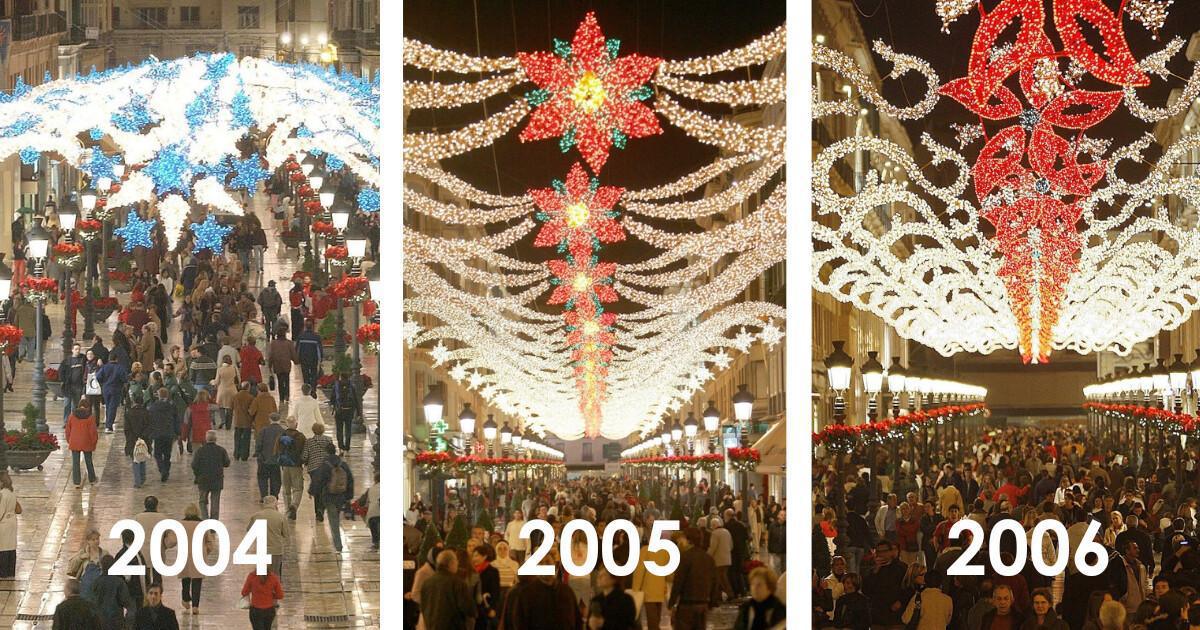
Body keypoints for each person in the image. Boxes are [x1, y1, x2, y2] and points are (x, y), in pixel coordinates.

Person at [670, 528, 716, 630]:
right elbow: (714, 581)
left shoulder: (685, 557)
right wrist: (712, 601)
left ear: (689, 540)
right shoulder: (708, 558)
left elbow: (679, 581)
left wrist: (672, 601)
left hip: (687, 605)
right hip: (703, 604)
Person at [311, 442, 354, 552]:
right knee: (336, 518)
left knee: (333, 521)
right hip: (341, 496)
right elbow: (350, 480)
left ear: (326, 451)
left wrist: (312, 491)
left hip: (329, 496)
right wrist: (349, 496)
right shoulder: (343, 464)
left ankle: (338, 545)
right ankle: (338, 543)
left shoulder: (325, 465)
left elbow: (318, 480)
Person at [420, 549, 475, 630]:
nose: (457, 564)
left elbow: (423, 606)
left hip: (431, 626)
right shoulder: (458, 583)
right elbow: (468, 609)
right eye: (456, 561)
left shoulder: (427, 582)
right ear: (451, 563)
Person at [631, 533, 671, 630]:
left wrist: (635, 588)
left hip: (648, 588)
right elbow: (669, 572)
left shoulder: (645, 550)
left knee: (651, 617)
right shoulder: (665, 552)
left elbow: (639, 570)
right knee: (657, 616)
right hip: (661, 588)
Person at [176, 503, 208, 616]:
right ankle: (195, 606)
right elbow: (209, 541)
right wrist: (206, 551)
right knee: (197, 580)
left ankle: (185, 599)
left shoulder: (181, 524)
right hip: (198, 555)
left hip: (184, 555)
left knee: (185, 578)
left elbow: (173, 540)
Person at [87, 554, 134, 629]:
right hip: (116, 621)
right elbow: (127, 603)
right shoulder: (119, 582)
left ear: (101, 566)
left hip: (100, 622)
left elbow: (91, 602)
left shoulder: (96, 582)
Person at [190, 431, 229, 520]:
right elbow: (227, 463)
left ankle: (205, 519)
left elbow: (194, 465)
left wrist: (197, 475)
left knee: (202, 501)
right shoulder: (221, 450)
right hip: (217, 480)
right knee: (215, 503)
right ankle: (214, 523)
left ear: (206, 439)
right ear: (215, 439)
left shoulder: (200, 451)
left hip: (203, 480)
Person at [733, 566, 786, 630]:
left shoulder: (778, 609)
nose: (754, 588)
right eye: (752, 584)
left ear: (769, 587)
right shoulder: (747, 607)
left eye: (759, 585)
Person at [301, 422, 336, 521]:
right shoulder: (328, 440)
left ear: (313, 430)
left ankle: (318, 511)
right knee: (325, 488)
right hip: (327, 467)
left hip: (314, 469)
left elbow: (304, 456)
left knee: (317, 490)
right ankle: (322, 508)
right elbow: (333, 452)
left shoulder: (309, 442)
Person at [249, 495, 290, 576]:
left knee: (262, 577)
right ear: (275, 504)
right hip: (276, 551)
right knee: (275, 576)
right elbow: (286, 535)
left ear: (264, 504)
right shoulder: (281, 517)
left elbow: (249, 531)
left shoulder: (256, 516)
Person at [589, 565, 637, 630]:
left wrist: (604, 623)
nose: (599, 577)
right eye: (599, 574)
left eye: (603, 575)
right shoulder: (596, 600)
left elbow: (628, 624)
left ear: (614, 578)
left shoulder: (625, 600)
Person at [146, 388, 179, 481]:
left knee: (157, 454)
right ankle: (166, 471)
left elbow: (150, 420)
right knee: (167, 454)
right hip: (169, 433)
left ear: (159, 395)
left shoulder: (154, 406)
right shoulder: (172, 406)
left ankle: (162, 469)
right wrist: (177, 433)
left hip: (157, 433)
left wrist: (150, 433)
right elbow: (176, 420)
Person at [64, 403, 99, 489]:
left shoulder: (72, 416)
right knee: (88, 461)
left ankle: (76, 482)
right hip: (87, 441)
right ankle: (92, 479)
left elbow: (67, 430)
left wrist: (69, 440)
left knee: (75, 462)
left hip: (74, 441)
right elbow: (93, 432)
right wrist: (94, 443)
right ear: (87, 407)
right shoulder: (90, 418)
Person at [241, 565, 284, 630]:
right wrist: (272, 595)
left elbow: (244, 592)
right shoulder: (273, 577)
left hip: (256, 611)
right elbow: (280, 595)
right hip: (269, 610)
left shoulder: (252, 576)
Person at [95, 355, 129, 432]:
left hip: (106, 389)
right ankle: (109, 426)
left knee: (108, 406)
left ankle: (108, 423)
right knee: (112, 407)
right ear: (117, 359)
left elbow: (97, 376)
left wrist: (103, 382)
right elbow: (125, 378)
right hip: (116, 389)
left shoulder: (104, 367)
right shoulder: (120, 367)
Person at [472, 542, 501, 629]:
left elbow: (495, 591)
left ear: (484, 556)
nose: (474, 558)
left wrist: (492, 608)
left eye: (476, 555)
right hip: (473, 609)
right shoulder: (471, 571)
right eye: (473, 556)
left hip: (486, 608)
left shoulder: (492, 571)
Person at [256, 412, 285, 499]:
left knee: (262, 479)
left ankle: (264, 496)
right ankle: (274, 496)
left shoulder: (264, 430)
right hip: (276, 460)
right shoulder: (283, 431)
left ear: (270, 419)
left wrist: (258, 454)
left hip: (264, 459)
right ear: (279, 420)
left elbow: (259, 444)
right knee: (276, 479)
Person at [331, 371, 361, 453]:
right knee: (348, 429)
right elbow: (356, 400)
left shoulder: (336, 386)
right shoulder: (351, 386)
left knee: (339, 430)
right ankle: (347, 447)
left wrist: (333, 408)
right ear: (348, 378)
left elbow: (332, 399)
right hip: (349, 411)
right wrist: (358, 412)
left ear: (341, 377)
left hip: (339, 411)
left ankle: (341, 447)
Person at [181, 389, 216, 453]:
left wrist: (184, 436)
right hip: (207, 433)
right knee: (207, 453)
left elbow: (185, 423)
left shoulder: (190, 408)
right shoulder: (209, 407)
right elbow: (218, 406)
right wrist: (210, 399)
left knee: (196, 453)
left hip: (194, 433)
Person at [708, 516, 734, 603]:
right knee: (722, 578)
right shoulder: (727, 532)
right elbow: (731, 545)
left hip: (719, 560)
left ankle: (729, 594)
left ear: (714, 525)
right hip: (727, 559)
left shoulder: (715, 533)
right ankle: (718, 596)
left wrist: (707, 556)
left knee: (720, 579)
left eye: (712, 526)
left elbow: (713, 547)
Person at [248, 381, 277, 456]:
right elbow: (275, 410)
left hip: (259, 422)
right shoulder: (271, 398)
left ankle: (258, 452)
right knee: (268, 437)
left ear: (259, 390)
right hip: (269, 421)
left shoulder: (257, 399)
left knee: (259, 437)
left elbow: (252, 411)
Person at [265, 331, 296, 402]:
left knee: (280, 381)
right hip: (286, 365)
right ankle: (287, 395)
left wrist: (270, 365)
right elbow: (293, 354)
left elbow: (271, 355)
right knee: (287, 380)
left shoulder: (273, 343)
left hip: (277, 365)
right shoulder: (289, 343)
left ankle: (281, 397)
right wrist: (296, 361)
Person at [60, 343, 86, 424]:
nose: (77, 351)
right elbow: (61, 372)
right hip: (68, 386)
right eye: (76, 349)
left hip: (78, 386)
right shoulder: (67, 361)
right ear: (72, 350)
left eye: (79, 349)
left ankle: (74, 421)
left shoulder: (82, 359)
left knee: (75, 406)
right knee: (66, 404)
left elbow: (90, 358)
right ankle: (66, 422)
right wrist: (64, 380)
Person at [211, 356, 237, 429]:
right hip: (232, 390)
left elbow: (216, 381)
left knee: (221, 406)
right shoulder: (233, 368)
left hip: (222, 390)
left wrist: (212, 382)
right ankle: (228, 424)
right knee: (230, 407)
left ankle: (223, 420)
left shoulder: (220, 370)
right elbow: (237, 378)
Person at [296, 322, 322, 392]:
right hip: (314, 358)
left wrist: (296, 359)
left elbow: (297, 348)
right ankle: (313, 388)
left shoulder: (301, 336)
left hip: (303, 359)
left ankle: (306, 388)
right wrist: (321, 359)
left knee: (305, 374)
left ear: (305, 327)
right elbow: (319, 349)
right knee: (314, 373)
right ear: (312, 327)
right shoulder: (316, 337)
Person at [232, 381, 255, 460]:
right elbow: (252, 410)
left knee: (237, 438)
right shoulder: (251, 397)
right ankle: (244, 455)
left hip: (237, 420)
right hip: (247, 421)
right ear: (248, 388)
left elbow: (232, 406)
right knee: (246, 439)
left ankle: (236, 454)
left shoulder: (236, 396)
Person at [0, 472, 17, 578]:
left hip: (4, 523)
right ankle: (11, 572)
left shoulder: (2, 494)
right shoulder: (12, 493)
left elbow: (0, 512)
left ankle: (3, 573)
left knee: (3, 548)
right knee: (11, 547)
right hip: (13, 521)